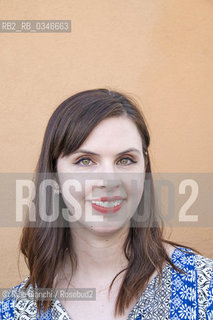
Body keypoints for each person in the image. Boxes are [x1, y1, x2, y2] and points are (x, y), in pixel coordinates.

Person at [0, 88, 212, 320]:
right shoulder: (15, 311)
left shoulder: (205, 288)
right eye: (85, 161)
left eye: (125, 160)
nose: (109, 181)